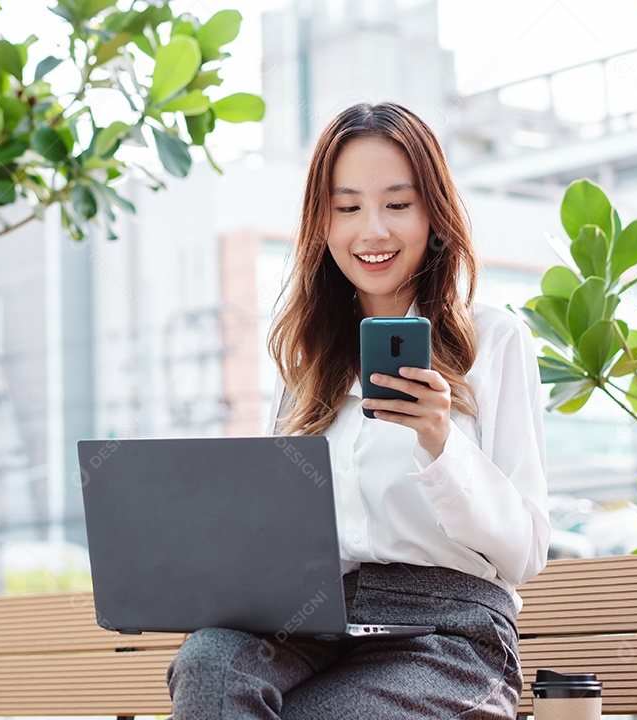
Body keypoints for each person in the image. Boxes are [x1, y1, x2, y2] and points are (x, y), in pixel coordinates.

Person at [165, 102, 550, 718]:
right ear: (322, 225)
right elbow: (284, 537)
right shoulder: (308, 361)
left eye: (398, 204)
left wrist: (439, 440)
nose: (373, 231)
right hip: (316, 624)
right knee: (209, 664)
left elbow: (525, 552)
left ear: (435, 215)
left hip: (446, 631)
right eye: (347, 208)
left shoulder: (493, 338)